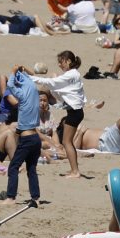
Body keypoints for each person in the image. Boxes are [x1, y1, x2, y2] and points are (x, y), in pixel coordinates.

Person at [30, 51, 86, 179]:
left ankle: (75, 171)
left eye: (61, 62)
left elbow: (51, 82)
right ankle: (74, 170)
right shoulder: (73, 74)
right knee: (68, 142)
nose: (60, 64)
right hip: (75, 112)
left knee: (67, 142)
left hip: (74, 113)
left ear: (68, 61)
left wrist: (30, 78)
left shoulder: (71, 74)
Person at [3, 66, 42, 205]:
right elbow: (32, 76)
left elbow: (10, 85)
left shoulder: (22, 94)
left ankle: (11, 197)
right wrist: (23, 69)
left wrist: (13, 71)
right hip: (36, 138)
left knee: (13, 166)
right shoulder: (34, 92)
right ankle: (35, 198)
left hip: (27, 138)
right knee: (31, 169)